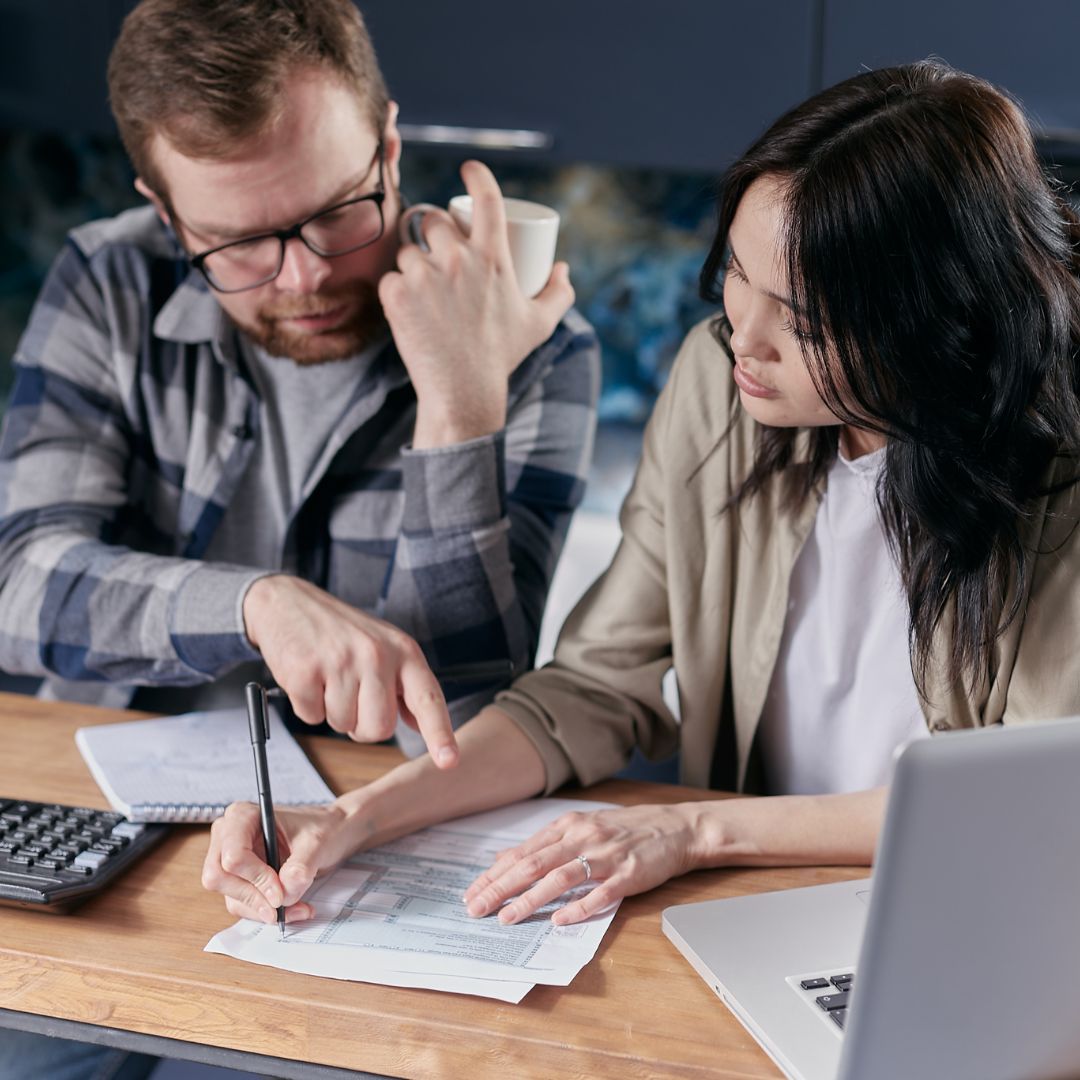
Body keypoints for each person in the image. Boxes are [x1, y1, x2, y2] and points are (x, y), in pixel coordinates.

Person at [204, 59, 1080, 933]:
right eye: (738, 273)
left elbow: (1026, 800)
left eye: (804, 320)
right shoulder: (719, 385)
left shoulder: (1060, 478)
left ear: (941, 321)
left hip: (970, 919)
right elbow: (590, 688)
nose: (745, 335)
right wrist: (354, 818)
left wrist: (693, 829)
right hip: (755, 908)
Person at [0, 0, 599, 767]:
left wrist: (458, 411)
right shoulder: (110, 279)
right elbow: (20, 587)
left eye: (336, 211)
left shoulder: (533, 340)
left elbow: (467, 719)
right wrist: (255, 607)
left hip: (381, 812)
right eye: (239, 243)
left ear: (387, 149)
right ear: (168, 216)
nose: (306, 274)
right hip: (107, 777)